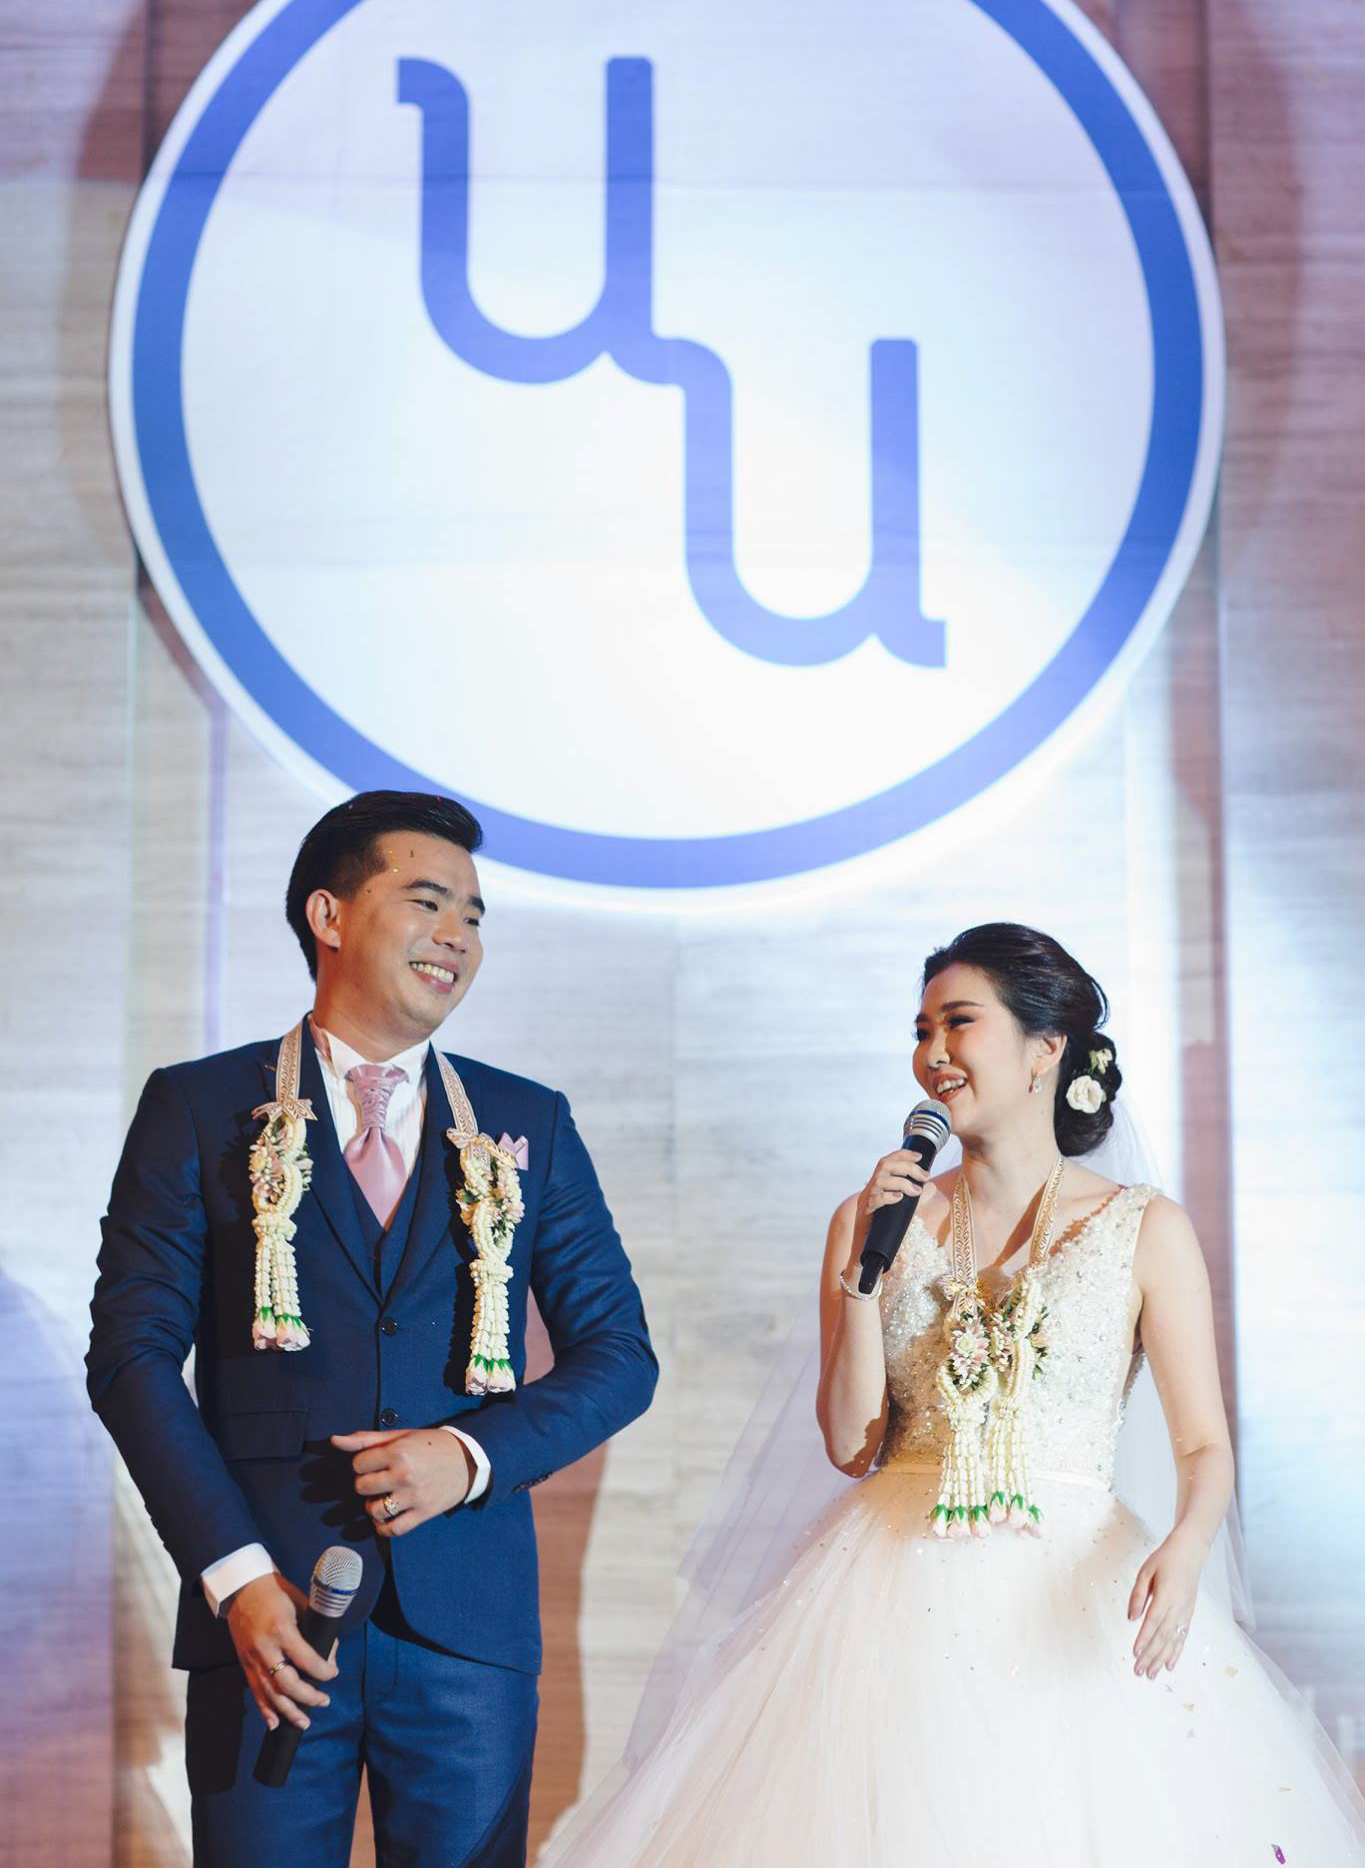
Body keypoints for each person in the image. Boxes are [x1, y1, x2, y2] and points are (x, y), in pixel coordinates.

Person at [541, 923, 1365, 1865]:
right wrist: (862, 1279)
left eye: (958, 1023)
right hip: (890, 1586)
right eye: (921, 1030)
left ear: (1044, 1049)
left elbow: (1202, 1446)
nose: (932, 1053)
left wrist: (1183, 1549)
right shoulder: (872, 1219)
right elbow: (851, 1444)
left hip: (1070, 1590)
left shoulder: (1143, 1228)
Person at [87, 790, 657, 1866]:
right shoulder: (200, 1107)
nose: (458, 935)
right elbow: (130, 1357)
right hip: (267, 1615)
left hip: (468, 1629)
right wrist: (234, 1575)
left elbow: (621, 1357)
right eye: (428, 901)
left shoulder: (526, 1121)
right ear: (330, 915)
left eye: (475, 916)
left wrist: (469, 1456)